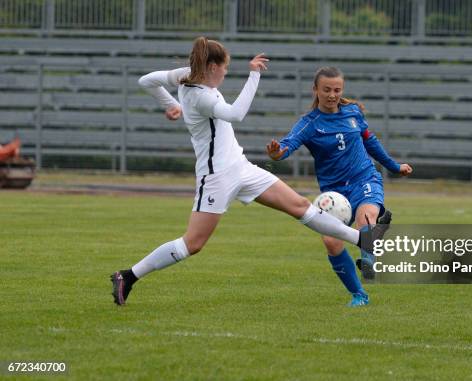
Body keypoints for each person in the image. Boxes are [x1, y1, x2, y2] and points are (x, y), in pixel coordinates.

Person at [110, 38, 386, 307]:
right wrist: (253, 76)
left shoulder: (185, 75)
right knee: (192, 243)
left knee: (300, 206)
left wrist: (170, 105)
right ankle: (128, 275)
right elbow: (235, 114)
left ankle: (362, 239)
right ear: (212, 67)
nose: (227, 72)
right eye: (225, 67)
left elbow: (146, 81)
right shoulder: (199, 95)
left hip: (241, 168)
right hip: (216, 176)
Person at [266, 66, 412, 305]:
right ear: (315, 90)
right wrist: (276, 154)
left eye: (337, 90)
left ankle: (368, 261)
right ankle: (359, 295)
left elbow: (371, 143)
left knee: (365, 217)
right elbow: (287, 146)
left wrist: (395, 167)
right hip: (334, 193)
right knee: (331, 242)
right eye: (326, 90)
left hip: (364, 178)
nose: (332, 95)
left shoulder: (353, 113)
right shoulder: (310, 124)